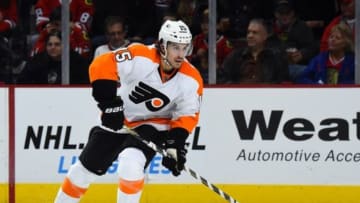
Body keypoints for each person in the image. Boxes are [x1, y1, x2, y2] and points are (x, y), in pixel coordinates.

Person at [54, 19, 203, 203]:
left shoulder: (191, 78)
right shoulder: (140, 54)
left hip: (155, 125)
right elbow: (102, 64)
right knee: (82, 171)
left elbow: (187, 115)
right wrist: (109, 104)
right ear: (163, 45)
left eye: (184, 48)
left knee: (130, 163)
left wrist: (175, 144)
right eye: (175, 48)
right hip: (121, 119)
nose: (181, 54)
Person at [222, 18, 289, 84]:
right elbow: (223, 78)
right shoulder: (235, 56)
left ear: (265, 36)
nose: (250, 36)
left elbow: (283, 83)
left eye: (255, 33)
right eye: (248, 32)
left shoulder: (276, 58)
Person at [17, 30, 89, 84]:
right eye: (50, 44)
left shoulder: (78, 62)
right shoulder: (37, 60)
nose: (52, 47)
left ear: (65, 45)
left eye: (57, 44)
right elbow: (22, 81)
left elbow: (85, 84)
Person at [272, 0, 318, 81]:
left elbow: (312, 48)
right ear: (276, 14)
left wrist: (302, 54)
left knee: (311, 71)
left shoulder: (303, 27)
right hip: (275, 67)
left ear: (293, 13)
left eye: (287, 13)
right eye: (281, 13)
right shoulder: (270, 28)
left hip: (296, 66)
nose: (285, 16)